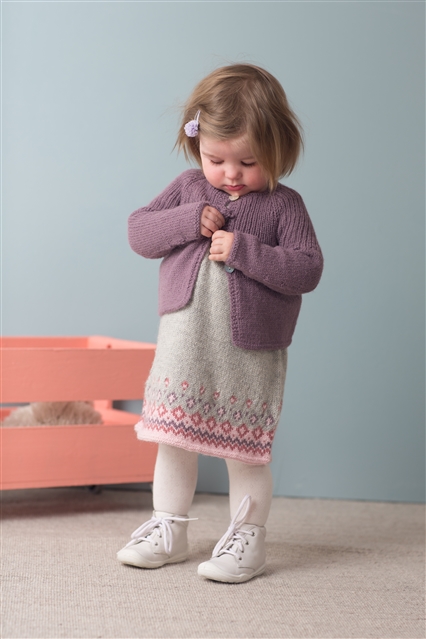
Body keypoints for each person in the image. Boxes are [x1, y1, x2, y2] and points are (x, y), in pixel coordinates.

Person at [117, 63, 323, 583]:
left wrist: (246, 250)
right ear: (197, 145)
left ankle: (247, 538)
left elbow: (307, 269)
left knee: (243, 448)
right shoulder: (189, 188)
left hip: (248, 351)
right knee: (173, 438)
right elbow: (139, 232)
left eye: (248, 162)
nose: (231, 174)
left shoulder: (284, 206)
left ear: (278, 149)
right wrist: (187, 220)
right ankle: (168, 527)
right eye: (216, 159)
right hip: (185, 341)